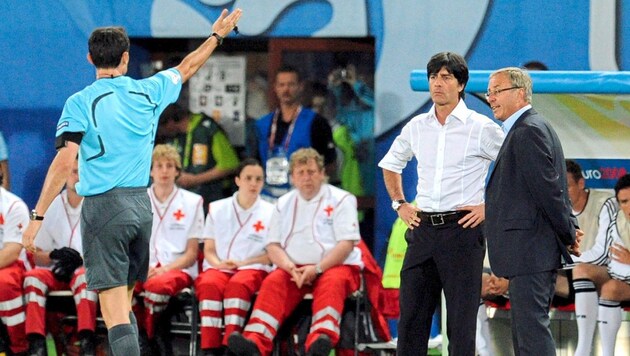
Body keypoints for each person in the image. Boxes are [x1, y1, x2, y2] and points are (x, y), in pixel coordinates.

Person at [21, 9, 242, 356]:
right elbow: (188, 67)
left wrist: (37, 217)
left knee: (113, 315)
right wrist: (216, 37)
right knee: (122, 308)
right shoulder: (149, 91)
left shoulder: (79, 103)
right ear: (126, 58)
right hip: (142, 209)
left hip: (104, 209)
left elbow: (65, 162)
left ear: (90, 58)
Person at [378, 51, 504, 355]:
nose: (438, 83)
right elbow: (391, 164)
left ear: (461, 84)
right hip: (422, 230)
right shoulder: (416, 126)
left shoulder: (481, 127)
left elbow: (513, 169)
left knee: (461, 324)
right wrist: (400, 204)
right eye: (433, 76)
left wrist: (489, 207)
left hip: (462, 230)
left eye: (446, 77)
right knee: (411, 320)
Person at [227, 148, 362, 356]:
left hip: (335, 266)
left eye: (311, 171)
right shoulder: (283, 203)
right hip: (294, 269)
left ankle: (320, 341)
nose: (306, 177)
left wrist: (317, 268)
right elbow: (273, 246)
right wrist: (289, 267)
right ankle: (255, 342)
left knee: (332, 282)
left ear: (322, 173)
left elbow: (346, 244)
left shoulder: (342, 199)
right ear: (292, 177)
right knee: (273, 282)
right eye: (301, 173)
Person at [484, 66, 580, 355]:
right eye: (489, 93)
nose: (491, 98)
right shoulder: (528, 128)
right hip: (527, 252)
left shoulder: (528, 131)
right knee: (526, 336)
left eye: (497, 91)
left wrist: (568, 233)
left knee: (532, 335)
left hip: (531, 251)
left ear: (521, 93)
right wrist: (569, 229)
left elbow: (549, 191)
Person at [195, 158, 274, 356]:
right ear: (238, 180)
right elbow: (209, 249)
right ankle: (210, 347)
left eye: (258, 179)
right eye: (248, 178)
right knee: (208, 284)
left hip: (253, 267)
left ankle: (232, 344)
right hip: (220, 266)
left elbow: (271, 255)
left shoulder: (272, 211)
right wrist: (218, 263)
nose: (253, 183)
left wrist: (244, 263)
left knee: (238, 285)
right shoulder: (217, 208)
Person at [132, 144, 204, 354]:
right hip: (145, 267)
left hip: (177, 270)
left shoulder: (193, 202)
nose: (164, 170)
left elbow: (191, 254)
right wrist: (142, 267)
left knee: (156, 288)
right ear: (151, 170)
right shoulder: (137, 200)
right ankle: (149, 339)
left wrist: (164, 269)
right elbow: (131, 245)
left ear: (177, 171)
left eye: (170, 166)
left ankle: (149, 339)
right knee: (123, 286)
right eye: (159, 165)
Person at [23, 160, 98, 356]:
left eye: (82, 172)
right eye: (73, 171)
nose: (77, 176)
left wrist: (81, 259)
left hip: (86, 269)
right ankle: (37, 344)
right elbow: (36, 255)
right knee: (32, 277)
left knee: (84, 276)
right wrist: (54, 255)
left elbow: (109, 251)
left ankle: (86, 341)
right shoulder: (52, 204)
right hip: (56, 271)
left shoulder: (98, 205)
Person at [255, 66, 337, 200]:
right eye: (281, 85)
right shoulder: (262, 124)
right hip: (267, 198)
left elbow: (329, 163)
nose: (286, 89)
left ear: (300, 87)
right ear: (275, 88)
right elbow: (254, 163)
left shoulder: (316, 122)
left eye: (291, 84)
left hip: (302, 197)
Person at [570, 174, 630, 356]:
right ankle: (588, 350)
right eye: (624, 202)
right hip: (623, 277)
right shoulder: (619, 221)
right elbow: (613, 260)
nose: (628, 207)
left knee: (611, 285)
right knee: (593, 277)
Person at [158, 104, 240, 209]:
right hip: (181, 201)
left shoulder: (208, 130)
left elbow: (230, 164)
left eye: (162, 127)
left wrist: (195, 179)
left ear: (170, 122)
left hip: (211, 199)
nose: (161, 132)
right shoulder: (173, 138)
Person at [328, 64, 375, 196]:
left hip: (371, 186)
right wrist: (334, 87)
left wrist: (357, 84)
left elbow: (377, 104)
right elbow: (330, 110)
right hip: (347, 184)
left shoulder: (372, 114)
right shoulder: (342, 115)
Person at [0, 179, 29, 355]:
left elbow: (12, 252)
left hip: (13, 266)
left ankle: (19, 345)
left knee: (3, 282)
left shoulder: (13, 206)